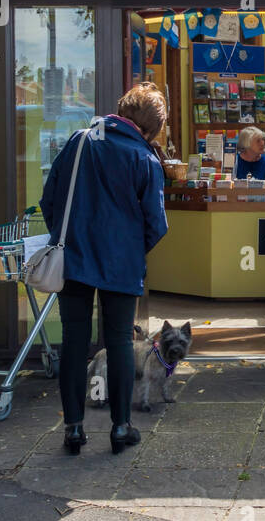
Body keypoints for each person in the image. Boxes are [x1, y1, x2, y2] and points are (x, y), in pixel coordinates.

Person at [40, 82, 169, 455]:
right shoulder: (144, 158)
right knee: (119, 343)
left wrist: (68, 240)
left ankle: (73, 429)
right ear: (149, 128)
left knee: (74, 342)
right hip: (121, 265)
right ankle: (120, 428)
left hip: (74, 260)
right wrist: (130, 249)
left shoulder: (79, 142)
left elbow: (50, 199)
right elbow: (156, 223)